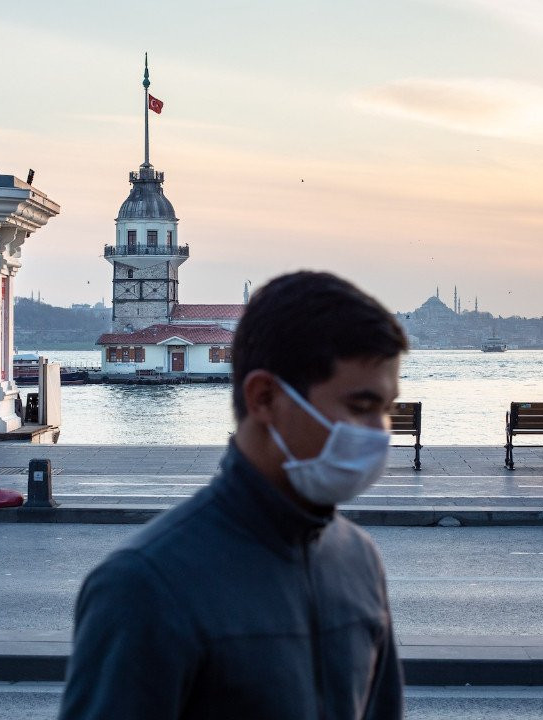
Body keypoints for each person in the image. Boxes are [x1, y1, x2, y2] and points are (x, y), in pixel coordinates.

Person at [59, 271, 408, 719]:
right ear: (264, 398)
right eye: (360, 407)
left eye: (386, 409)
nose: (379, 434)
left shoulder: (358, 560)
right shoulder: (145, 587)